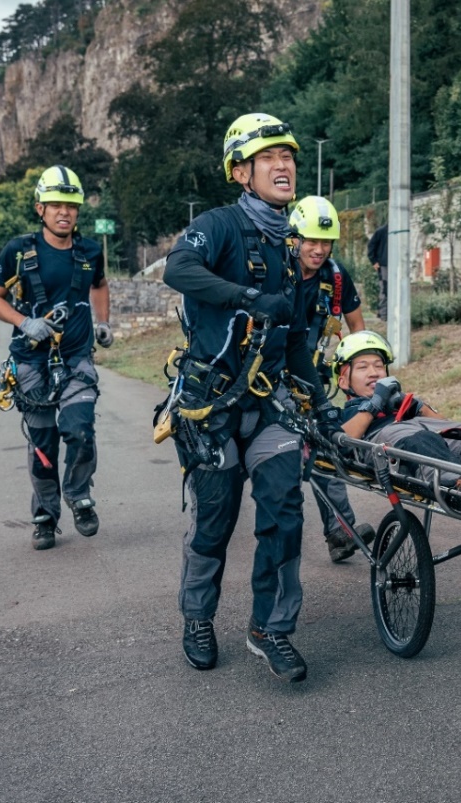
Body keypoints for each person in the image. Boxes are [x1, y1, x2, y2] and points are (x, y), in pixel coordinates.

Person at [161, 113, 343, 683]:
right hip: (211, 407)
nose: (283, 165)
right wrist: (246, 296)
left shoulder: (292, 246)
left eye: (287, 156)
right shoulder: (217, 225)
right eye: (268, 158)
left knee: (284, 518)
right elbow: (177, 269)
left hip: (269, 408)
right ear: (241, 172)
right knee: (214, 524)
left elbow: (293, 340)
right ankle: (198, 618)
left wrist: (321, 405)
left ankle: (270, 628)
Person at [0, 165, 113, 551]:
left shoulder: (90, 252)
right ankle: (45, 515)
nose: (64, 212)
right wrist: (25, 323)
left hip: (76, 358)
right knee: (43, 444)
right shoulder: (17, 251)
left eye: (71, 206)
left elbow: (100, 284)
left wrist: (103, 322)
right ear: (40, 208)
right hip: (30, 362)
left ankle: (79, 496)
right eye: (56, 205)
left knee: (80, 429)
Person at [288, 195, 376, 562]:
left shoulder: (335, 277)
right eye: (311, 240)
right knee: (280, 461)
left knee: (325, 447)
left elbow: (357, 328)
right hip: (268, 382)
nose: (319, 249)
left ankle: (341, 531)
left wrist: (362, 374)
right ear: (294, 238)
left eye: (326, 242)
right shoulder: (277, 272)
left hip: (313, 385)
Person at [332, 330, 461, 488]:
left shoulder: (397, 403)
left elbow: (445, 425)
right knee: (422, 440)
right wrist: (374, 404)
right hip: (390, 441)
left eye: (379, 366)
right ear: (343, 381)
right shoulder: (346, 413)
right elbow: (340, 441)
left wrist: (418, 406)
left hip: (423, 432)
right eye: (363, 367)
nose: (374, 372)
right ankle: (460, 481)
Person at [367, 222, 389, 321]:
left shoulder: (399, 231)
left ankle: (386, 313)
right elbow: (371, 245)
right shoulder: (381, 231)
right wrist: (374, 261)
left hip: (395, 264)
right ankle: (384, 314)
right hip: (384, 265)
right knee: (384, 289)